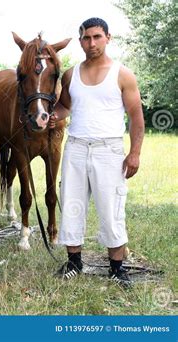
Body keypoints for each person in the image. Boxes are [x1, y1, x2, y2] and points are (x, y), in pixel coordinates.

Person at [50, 17, 145, 287]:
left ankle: (116, 268)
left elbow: (136, 117)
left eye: (96, 37)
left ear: (107, 38)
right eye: (86, 38)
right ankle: (74, 262)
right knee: (71, 203)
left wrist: (134, 153)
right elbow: (64, 107)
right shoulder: (71, 74)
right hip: (77, 147)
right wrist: (50, 117)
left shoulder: (122, 74)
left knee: (111, 207)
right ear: (80, 41)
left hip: (109, 149)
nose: (91, 43)